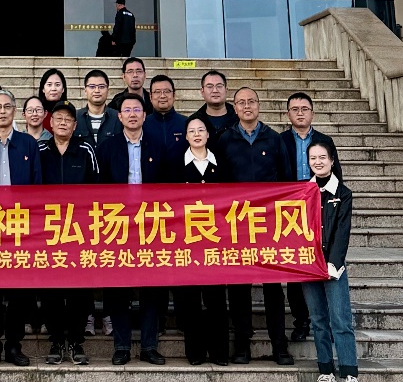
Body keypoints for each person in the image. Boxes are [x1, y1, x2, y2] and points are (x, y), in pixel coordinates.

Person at [220, 85, 293, 367]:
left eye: (251, 101)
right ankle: (241, 345)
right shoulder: (225, 140)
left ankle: (279, 346)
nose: (247, 106)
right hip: (236, 225)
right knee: (239, 288)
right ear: (234, 108)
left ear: (259, 106)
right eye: (241, 102)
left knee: (273, 288)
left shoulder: (274, 139)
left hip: (268, 224)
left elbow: (286, 180)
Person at [0, 89, 42, 367]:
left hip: (20, 226)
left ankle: (14, 345)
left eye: (7, 107)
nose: (2, 111)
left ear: (15, 111)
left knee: (19, 290)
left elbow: (37, 186)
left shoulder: (28, 144)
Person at [98, 94, 166, 366]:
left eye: (137, 109)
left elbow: (168, 186)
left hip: (151, 224)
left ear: (144, 115)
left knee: (152, 287)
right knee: (119, 288)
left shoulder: (158, 145)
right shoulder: (107, 147)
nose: (132, 114)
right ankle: (121, 345)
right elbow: (99, 188)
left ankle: (149, 346)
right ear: (119, 116)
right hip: (118, 225)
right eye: (127, 110)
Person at [38, 101, 99, 366]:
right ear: (50, 123)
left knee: (79, 291)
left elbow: (99, 190)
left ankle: (75, 341)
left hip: (79, 233)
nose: (63, 123)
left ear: (75, 125)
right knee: (50, 290)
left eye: (68, 120)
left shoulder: (86, 150)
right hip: (47, 232)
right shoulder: (40, 150)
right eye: (59, 118)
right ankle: (55, 340)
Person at [282, 91, 343, 345]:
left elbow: (337, 177)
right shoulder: (280, 140)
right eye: (294, 109)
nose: (300, 113)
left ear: (312, 113)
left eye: (304, 109)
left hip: (321, 210)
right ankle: (302, 322)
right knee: (296, 267)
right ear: (288, 114)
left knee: (323, 262)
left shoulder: (325, 141)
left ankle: (328, 320)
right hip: (291, 212)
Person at [303, 142, 360, 382]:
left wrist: (333, 264)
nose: (318, 162)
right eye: (313, 158)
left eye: (322, 157)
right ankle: (326, 373)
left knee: (341, 321)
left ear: (332, 160)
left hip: (333, 266)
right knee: (318, 320)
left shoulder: (343, 193)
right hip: (308, 265)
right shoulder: (302, 192)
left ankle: (350, 377)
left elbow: (342, 232)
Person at [174, 117, 228, 365]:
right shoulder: (176, 165)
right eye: (191, 131)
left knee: (216, 299)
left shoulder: (221, 163)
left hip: (217, 241)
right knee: (190, 299)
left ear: (208, 135)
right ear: (186, 136)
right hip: (186, 241)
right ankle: (195, 353)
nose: (196, 134)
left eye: (201, 130)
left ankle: (219, 353)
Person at [143, 74, 187, 166]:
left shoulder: (187, 124)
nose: (162, 96)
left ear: (174, 95)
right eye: (157, 92)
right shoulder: (142, 124)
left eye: (167, 91)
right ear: (150, 97)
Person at [75, 68, 123, 150]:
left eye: (101, 87)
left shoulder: (118, 118)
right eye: (92, 87)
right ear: (85, 91)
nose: (97, 90)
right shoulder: (76, 117)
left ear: (108, 90)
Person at [190, 68, 234, 149]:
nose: (215, 90)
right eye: (210, 86)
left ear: (226, 90)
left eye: (219, 86)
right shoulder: (194, 121)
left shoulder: (239, 118)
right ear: (202, 91)